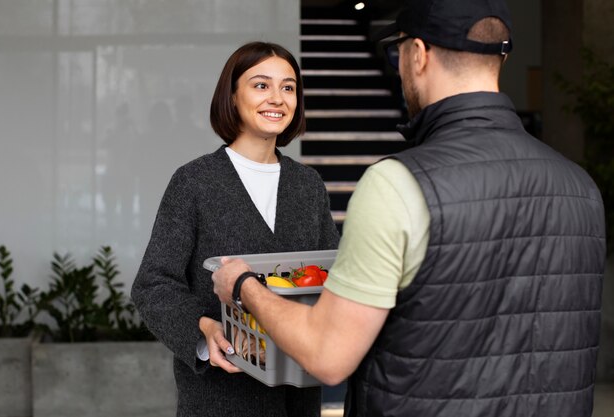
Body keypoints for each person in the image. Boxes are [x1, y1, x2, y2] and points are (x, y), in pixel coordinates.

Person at [211, 1, 607, 417]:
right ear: (500, 57)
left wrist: (243, 286)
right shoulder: (580, 186)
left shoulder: (398, 184)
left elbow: (328, 355)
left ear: (417, 54)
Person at [131, 42, 340, 417]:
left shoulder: (308, 186)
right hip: (219, 399)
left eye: (288, 87)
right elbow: (153, 284)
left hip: (298, 399)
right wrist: (203, 330)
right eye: (261, 85)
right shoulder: (194, 182)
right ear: (232, 96)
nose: (277, 98)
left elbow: (331, 277)